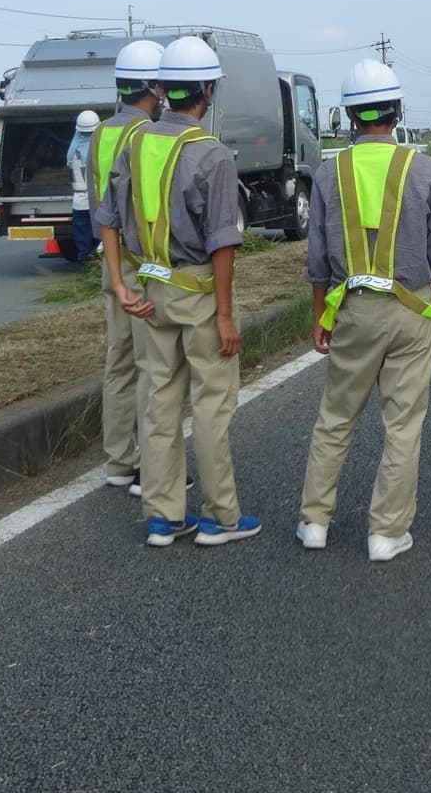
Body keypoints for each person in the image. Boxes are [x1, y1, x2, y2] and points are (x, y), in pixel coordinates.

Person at [97, 35, 260, 548]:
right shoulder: (212, 154)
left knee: (159, 401)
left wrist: (119, 283)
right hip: (198, 293)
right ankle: (221, 517)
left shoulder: (136, 142)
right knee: (211, 403)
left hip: (150, 291)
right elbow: (222, 242)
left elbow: (107, 218)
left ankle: (162, 516)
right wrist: (225, 314)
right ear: (208, 91)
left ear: (164, 88)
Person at [296, 59, 431, 563]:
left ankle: (314, 522)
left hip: (353, 309)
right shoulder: (423, 169)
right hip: (413, 307)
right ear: (397, 109)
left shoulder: (328, 173)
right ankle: (386, 533)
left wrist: (320, 317)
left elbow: (317, 261)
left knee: (336, 417)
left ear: (348, 115)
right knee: (402, 425)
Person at [89, 39, 165, 495]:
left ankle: (119, 461)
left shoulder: (100, 133)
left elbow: (99, 205)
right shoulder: (148, 136)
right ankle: (150, 470)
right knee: (150, 365)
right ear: (155, 88)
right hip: (142, 265)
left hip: (110, 262)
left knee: (117, 362)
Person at [68, 110, 100, 262]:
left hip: (80, 198)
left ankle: (84, 256)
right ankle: (98, 255)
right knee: (101, 230)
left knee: (82, 230)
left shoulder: (72, 150)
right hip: (97, 197)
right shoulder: (98, 148)